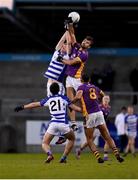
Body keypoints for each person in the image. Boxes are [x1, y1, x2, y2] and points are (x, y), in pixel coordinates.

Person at [14, 82, 81, 163]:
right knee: (72, 139)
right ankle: (63, 157)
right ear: (59, 90)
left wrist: (22, 107)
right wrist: (86, 111)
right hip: (63, 124)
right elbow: (75, 108)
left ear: (50, 90)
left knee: (45, 143)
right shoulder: (64, 98)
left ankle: (49, 154)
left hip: (53, 124)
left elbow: (35, 104)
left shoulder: (48, 99)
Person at [72, 74, 124, 163]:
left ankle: (98, 157)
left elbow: (78, 96)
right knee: (107, 136)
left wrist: (70, 102)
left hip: (90, 114)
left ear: (81, 80)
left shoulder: (81, 87)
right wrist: (96, 101)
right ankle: (117, 154)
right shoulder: (94, 87)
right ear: (89, 79)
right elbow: (103, 95)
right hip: (99, 113)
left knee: (89, 139)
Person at [75, 95, 111, 161]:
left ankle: (105, 156)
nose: (106, 100)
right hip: (96, 127)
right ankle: (79, 149)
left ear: (109, 100)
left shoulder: (108, 108)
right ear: (102, 100)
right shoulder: (99, 107)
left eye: (107, 99)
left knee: (108, 139)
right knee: (90, 141)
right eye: (105, 99)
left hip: (102, 126)